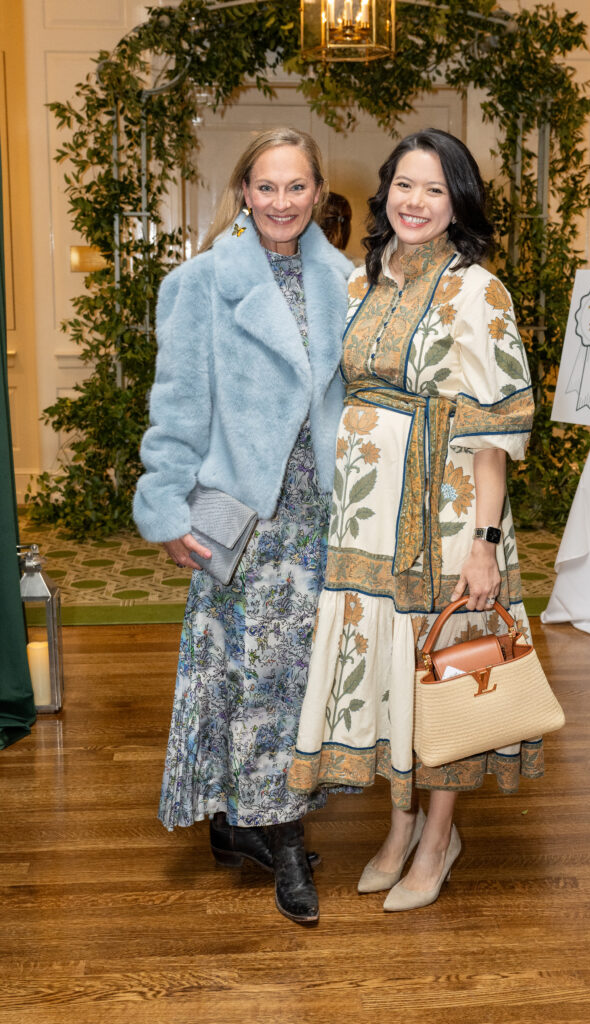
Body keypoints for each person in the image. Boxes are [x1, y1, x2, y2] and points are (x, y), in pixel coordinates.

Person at [288, 128, 539, 912]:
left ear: (457, 200)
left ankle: (436, 839)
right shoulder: (364, 281)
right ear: (384, 192)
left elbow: (493, 437)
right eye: (404, 184)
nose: (415, 201)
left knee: (444, 673)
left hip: (444, 514)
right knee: (394, 676)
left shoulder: (477, 291)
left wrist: (485, 546)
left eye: (434, 189)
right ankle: (397, 827)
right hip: (363, 522)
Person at [133, 127, 353, 925]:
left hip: (319, 515)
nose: (282, 202)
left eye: (297, 187)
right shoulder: (201, 284)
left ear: (320, 193)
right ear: (243, 191)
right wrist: (163, 504)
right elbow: (179, 406)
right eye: (267, 186)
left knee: (291, 676)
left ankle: (241, 822)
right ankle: (281, 833)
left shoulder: (346, 283)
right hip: (240, 517)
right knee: (246, 673)